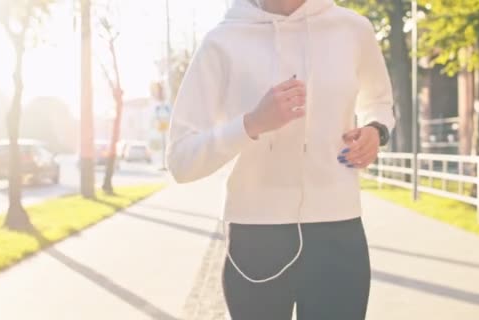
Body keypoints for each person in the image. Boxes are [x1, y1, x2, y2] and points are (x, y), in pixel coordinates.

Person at [166, 0, 395, 318]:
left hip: (338, 232)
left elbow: (380, 102)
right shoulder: (223, 40)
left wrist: (376, 130)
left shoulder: (353, 29)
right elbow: (180, 159)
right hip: (256, 235)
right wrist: (251, 124)